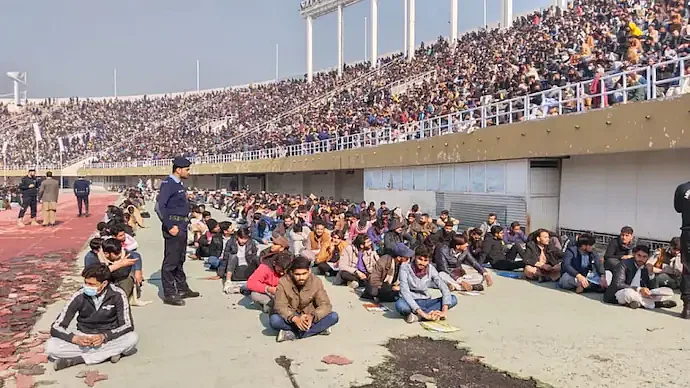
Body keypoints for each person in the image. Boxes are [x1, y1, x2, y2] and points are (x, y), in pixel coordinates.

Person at [45, 263, 139, 371]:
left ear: (104, 284)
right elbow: (56, 326)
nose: (87, 287)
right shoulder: (79, 295)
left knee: (132, 338)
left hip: (108, 338)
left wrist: (105, 336)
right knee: (50, 347)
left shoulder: (118, 294)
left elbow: (127, 325)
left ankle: (77, 359)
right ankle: (108, 354)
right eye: (85, 283)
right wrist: (75, 339)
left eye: (91, 284)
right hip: (84, 336)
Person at [156, 157, 200, 306]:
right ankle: (169, 293)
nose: (189, 172)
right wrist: (169, 226)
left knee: (180, 259)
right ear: (178, 169)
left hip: (181, 224)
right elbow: (160, 207)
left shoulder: (178, 184)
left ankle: (182, 288)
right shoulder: (169, 184)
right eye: (187, 169)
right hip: (174, 225)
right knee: (171, 261)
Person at [271, 256, 339, 342]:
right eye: (297, 274)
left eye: (304, 274)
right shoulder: (283, 282)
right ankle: (317, 330)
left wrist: (312, 316)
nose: (301, 277)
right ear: (292, 272)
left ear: (309, 271)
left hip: (309, 316)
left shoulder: (316, 281)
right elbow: (280, 306)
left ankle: (294, 334)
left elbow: (325, 304)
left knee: (334, 316)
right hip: (292, 316)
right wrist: (294, 318)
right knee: (274, 320)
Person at [396, 246, 458, 323]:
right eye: (420, 259)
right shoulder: (405, 267)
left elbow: (443, 287)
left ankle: (418, 317)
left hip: (426, 301)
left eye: (425, 260)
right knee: (401, 306)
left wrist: (444, 311)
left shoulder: (431, 268)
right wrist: (424, 314)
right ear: (415, 257)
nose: (422, 263)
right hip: (409, 301)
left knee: (453, 299)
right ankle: (426, 314)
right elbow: (405, 291)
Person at [604, 245, 676, 310]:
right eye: (639, 255)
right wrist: (639, 289)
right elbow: (618, 284)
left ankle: (637, 303)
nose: (641, 259)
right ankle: (656, 304)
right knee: (628, 293)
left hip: (640, 294)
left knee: (669, 292)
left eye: (644, 257)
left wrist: (651, 274)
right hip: (620, 293)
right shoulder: (624, 264)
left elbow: (653, 288)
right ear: (634, 254)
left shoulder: (645, 267)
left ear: (647, 257)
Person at [674, 180, 690, 318]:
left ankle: (687, 307)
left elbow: (678, 208)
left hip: (687, 232)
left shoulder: (682, 188)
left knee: (687, 268)